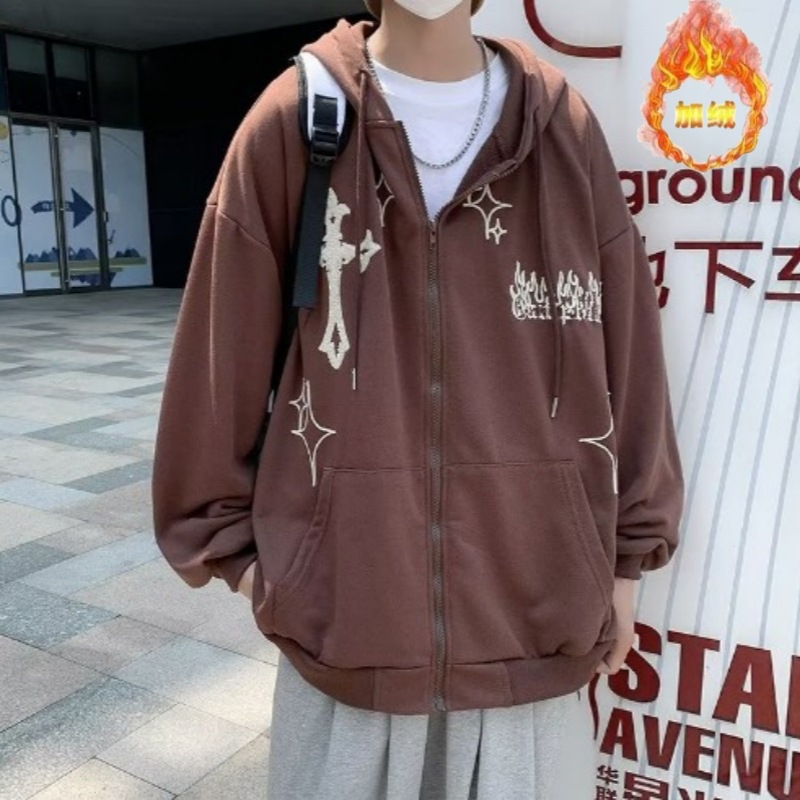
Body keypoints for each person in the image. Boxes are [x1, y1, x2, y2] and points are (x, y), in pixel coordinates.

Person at [152, 0, 684, 796]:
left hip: (533, 629)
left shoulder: (560, 129)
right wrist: (266, 571)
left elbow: (631, 351)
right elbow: (215, 363)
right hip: (350, 642)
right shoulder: (296, 120)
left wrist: (627, 562)